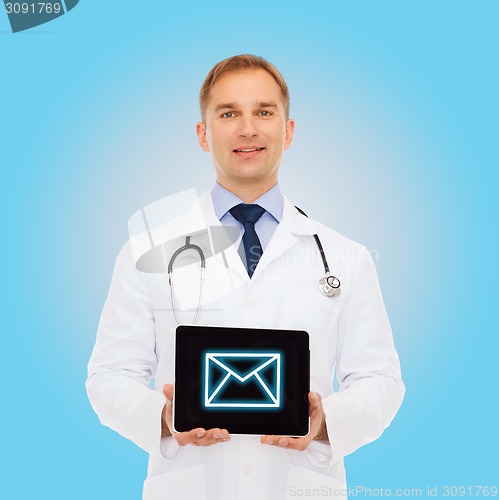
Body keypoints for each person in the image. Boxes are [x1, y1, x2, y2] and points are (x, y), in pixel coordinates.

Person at [86, 54, 405, 500]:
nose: (248, 128)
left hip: (302, 486)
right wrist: (164, 416)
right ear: (203, 134)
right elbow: (109, 375)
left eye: (264, 112)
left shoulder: (344, 256)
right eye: (229, 113)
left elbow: (380, 381)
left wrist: (326, 421)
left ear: (288, 131)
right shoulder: (147, 252)